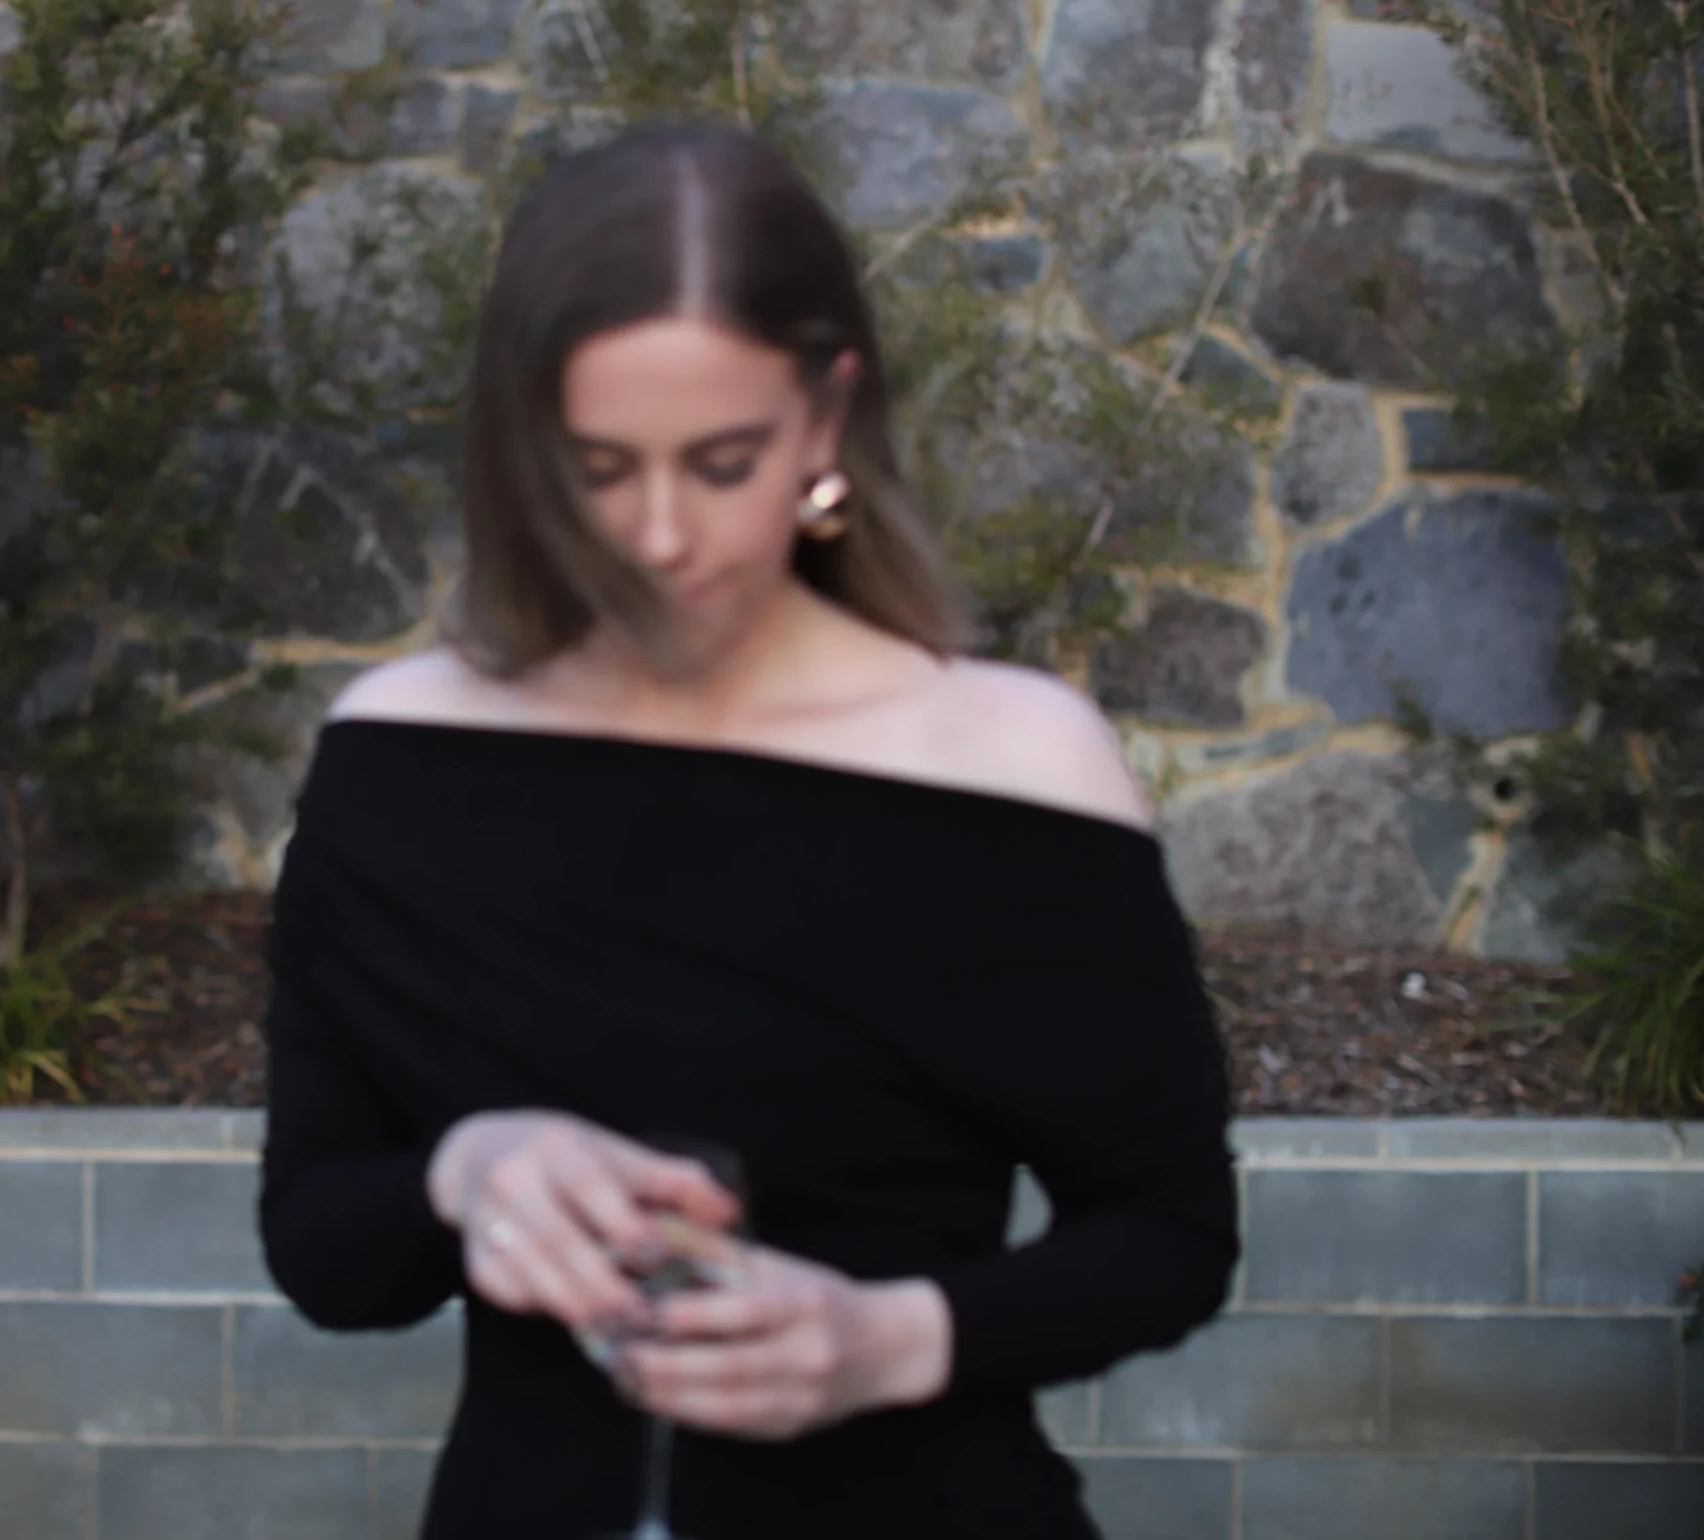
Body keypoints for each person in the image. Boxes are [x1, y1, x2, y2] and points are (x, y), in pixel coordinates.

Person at [255, 120, 1239, 1539]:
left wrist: (884, 1340)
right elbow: (325, 1248)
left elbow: (1168, 1240)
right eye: (600, 466)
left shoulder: (1014, 764)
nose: (659, 533)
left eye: (723, 460)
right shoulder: (402, 758)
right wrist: (468, 1170)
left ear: (827, 417)